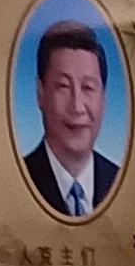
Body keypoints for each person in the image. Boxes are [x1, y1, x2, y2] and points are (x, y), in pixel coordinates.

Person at [19, 22, 122, 218]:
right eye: (63, 86)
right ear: (40, 93)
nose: (77, 107)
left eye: (88, 87)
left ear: (104, 97)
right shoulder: (18, 180)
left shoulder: (120, 182)